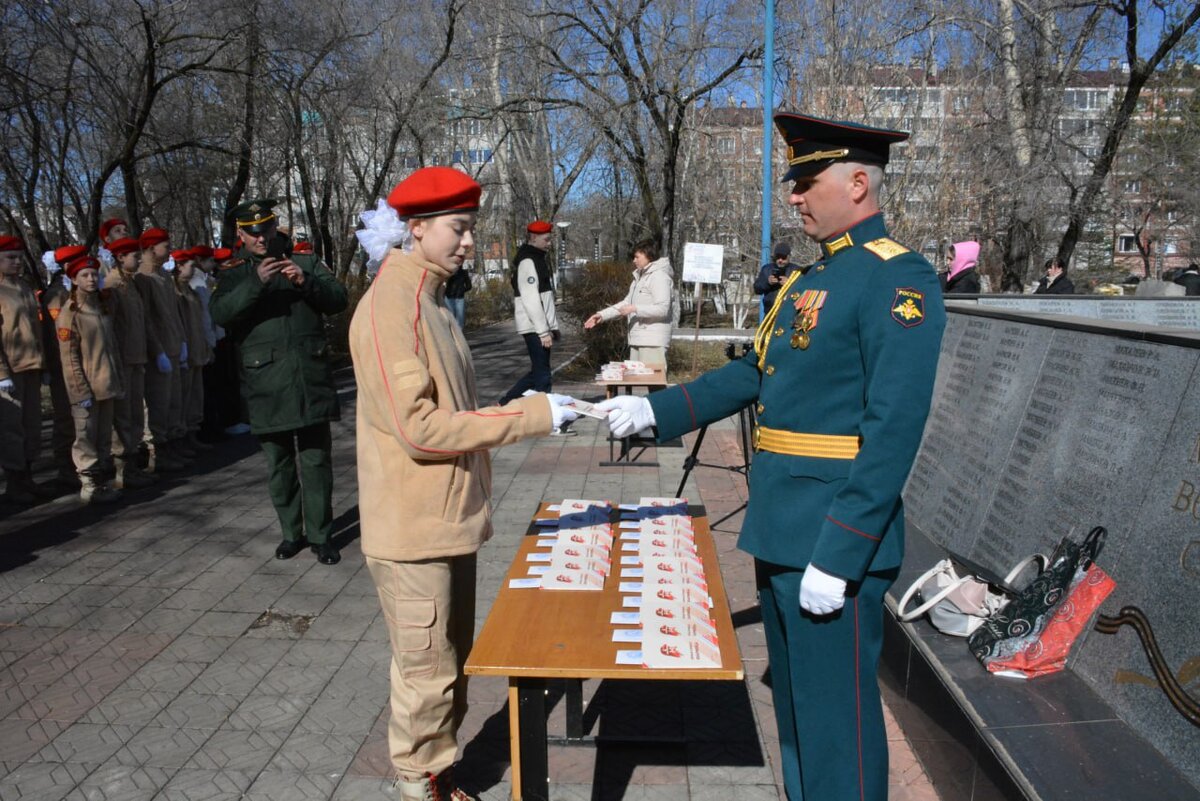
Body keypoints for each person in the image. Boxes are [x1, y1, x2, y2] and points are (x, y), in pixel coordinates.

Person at [596, 112, 946, 801]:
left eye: (806, 180)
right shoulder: (809, 281)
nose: (793, 196)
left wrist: (842, 552)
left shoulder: (896, 278)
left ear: (855, 183)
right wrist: (655, 410)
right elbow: (753, 373)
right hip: (785, 526)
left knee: (836, 721)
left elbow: (893, 430)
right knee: (795, 713)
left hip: (831, 538)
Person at [348, 167, 578, 801]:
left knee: (450, 662)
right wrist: (532, 412)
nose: (470, 242)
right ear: (415, 229)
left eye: (470, 229)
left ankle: (440, 775)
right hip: (413, 529)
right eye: (459, 229)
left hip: (446, 520)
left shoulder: (429, 298)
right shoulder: (391, 306)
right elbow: (420, 429)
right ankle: (421, 785)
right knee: (427, 672)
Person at [210, 199, 348, 566]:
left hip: (309, 378)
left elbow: (338, 299)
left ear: (276, 228)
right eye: (253, 232)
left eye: (266, 230)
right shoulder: (236, 274)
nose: (261, 238)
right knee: (280, 463)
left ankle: (321, 536)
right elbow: (221, 314)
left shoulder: (304, 263)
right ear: (240, 235)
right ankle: (292, 533)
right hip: (266, 384)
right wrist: (256, 283)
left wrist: (305, 284)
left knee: (317, 461)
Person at [55, 248, 124, 504]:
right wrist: (79, 391)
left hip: (107, 383)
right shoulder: (70, 313)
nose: (91, 279)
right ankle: (89, 485)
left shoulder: (102, 307)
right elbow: (69, 357)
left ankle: (103, 481)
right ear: (74, 279)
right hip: (86, 388)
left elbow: (112, 348)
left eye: (94, 274)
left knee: (104, 436)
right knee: (85, 438)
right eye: (84, 275)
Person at [103, 236, 157, 488]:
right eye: (133, 256)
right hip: (123, 358)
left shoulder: (131, 283)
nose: (138, 259)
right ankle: (122, 469)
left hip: (136, 356)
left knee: (135, 412)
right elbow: (111, 326)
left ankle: (133, 464)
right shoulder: (113, 285)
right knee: (123, 415)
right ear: (120, 258)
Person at [0, 234, 47, 504]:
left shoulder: (26, 288)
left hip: (31, 365)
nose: (17, 262)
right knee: (10, 429)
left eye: (19, 257)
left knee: (31, 426)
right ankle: (15, 483)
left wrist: (45, 364)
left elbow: (37, 329)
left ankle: (28, 478)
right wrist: (1, 374)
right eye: (10, 258)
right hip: (10, 369)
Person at [583, 238, 674, 367]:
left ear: (648, 255)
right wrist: (602, 315)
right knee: (638, 381)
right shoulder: (639, 277)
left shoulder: (659, 277)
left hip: (653, 341)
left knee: (655, 384)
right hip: (638, 338)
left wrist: (635, 309)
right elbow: (626, 303)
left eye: (637, 257)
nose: (634, 260)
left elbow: (663, 309)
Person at [498, 220, 559, 406]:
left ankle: (506, 402)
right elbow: (531, 298)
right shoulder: (528, 261)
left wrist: (550, 326)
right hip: (533, 326)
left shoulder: (537, 258)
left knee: (538, 371)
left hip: (538, 325)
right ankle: (547, 415)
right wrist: (542, 330)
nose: (549, 243)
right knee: (543, 374)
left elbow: (543, 297)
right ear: (533, 238)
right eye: (546, 239)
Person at [173, 249, 213, 454]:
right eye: (189, 264)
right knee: (184, 398)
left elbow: (200, 321)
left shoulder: (189, 290)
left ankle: (192, 434)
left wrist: (206, 344)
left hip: (196, 348)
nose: (192, 268)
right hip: (184, 351)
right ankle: (181, 439)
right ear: (179, 266)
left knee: (195, 396)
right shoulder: (175, 292)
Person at [753, 242, 801, 312]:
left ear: (788, 256)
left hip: (790, 312)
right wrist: (767, 283)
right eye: (778, 257)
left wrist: (790, 284)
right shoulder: (766, 269)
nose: (780, 260)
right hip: (770, 313)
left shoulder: (797, 270)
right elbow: (757, 289)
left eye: (783, 257)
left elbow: (803, 290)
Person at [443, 262, 472, 328]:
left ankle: (459, 335)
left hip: (459, 298)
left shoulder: (464, 273)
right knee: (450, 318)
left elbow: (469, 286)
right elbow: (443, 283)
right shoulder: (448, 272)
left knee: (460, 319)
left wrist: (462, 290)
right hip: (449, 297)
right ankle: (451, 335)